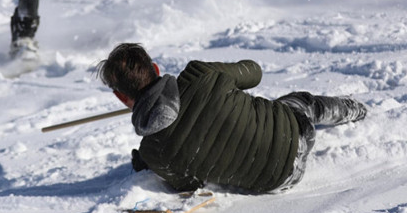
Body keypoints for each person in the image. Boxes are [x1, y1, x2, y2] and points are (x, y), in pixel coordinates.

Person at [96, 43, 367, 193]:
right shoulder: (199, 74)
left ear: (121, 98)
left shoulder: (154, 153)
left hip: (277, 181)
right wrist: (214, 76)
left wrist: (148, 162)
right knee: (300, 102)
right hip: (294, 132)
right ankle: (357, 109)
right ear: (155, 68)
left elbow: (190, 184)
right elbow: (254, 72)